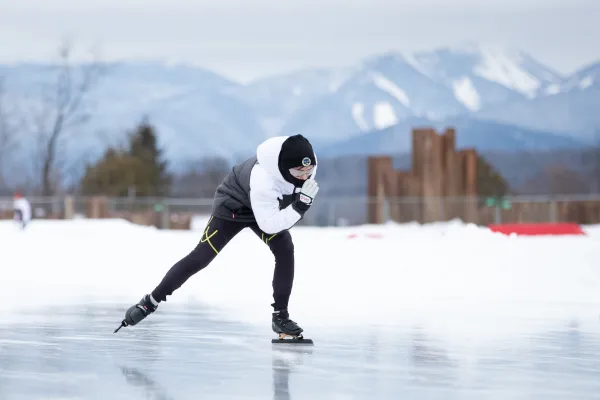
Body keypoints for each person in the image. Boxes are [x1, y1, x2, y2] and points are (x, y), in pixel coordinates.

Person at [116, 134, 319, 337]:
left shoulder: (306, 167)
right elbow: (270, 225)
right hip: (233, 207)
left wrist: (297, 202)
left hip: (265, 207)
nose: (304, 177)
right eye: (298, 172)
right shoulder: (263, 180)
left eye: (308, 171)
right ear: (283, 168)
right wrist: (300, 206)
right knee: (200, 257)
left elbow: (279, 210)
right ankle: (150, 302)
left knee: (285, 248)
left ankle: (280, 317)